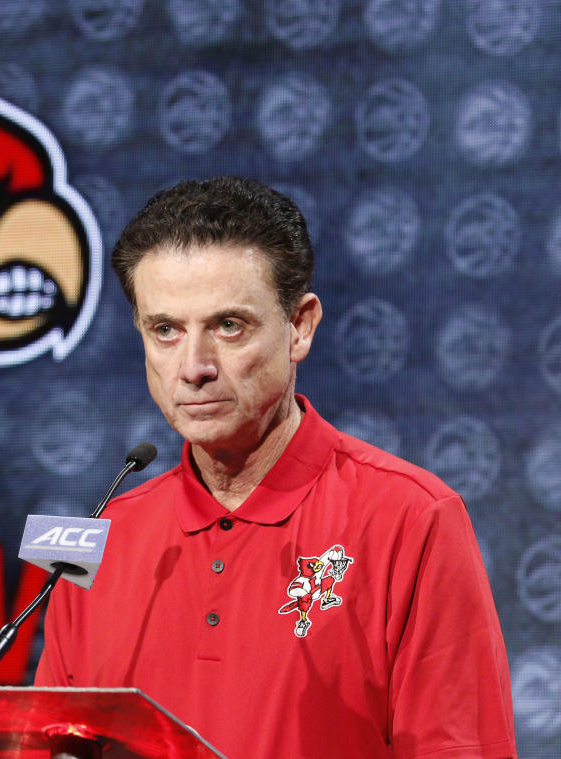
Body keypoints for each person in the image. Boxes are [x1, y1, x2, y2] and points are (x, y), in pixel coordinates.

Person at [34, 177, 516, 759]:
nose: (194, 367)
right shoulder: (101, 540)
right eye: (166, 330)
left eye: (228, 326)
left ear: (300, 326)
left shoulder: (412, 518)